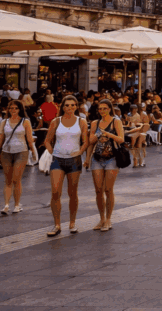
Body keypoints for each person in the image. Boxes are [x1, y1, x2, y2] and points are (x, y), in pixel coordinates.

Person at [45, 95, 88, 236]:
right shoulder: (56, 121)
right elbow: (47, 140)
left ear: (76, 106)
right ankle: (57, 225)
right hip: (57, 159)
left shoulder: (81, 121)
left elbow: (86, 141)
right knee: (55, 192)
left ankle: (72, 222)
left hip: (74, 160)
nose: (70, 107)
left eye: (73, 105)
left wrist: (80, 151)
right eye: (67, 105)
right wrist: (51, 151)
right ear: (62, 107)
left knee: (72, 192)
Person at [89, 98, 125, 231]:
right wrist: (98, 133)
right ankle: (102, 218)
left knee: (108, 190)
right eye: (100, 109)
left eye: (105, 108)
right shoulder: (95, 123)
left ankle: (108, 219)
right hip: (97, 158)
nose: (102, 111)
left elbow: (121, 139)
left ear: (110, 109)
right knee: (98, 190)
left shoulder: (116, 121)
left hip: (112, 158)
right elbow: (91, 141)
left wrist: (108, 134)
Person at [0, 99, 34, 215]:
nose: (13, 110)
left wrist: (33, 151)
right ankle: (6, 205)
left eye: (16, 108)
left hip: (21, 151)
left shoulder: (25, 121)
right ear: (8, 109)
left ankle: (17, 205)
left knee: (16, 179)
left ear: (20, 109)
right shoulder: (4, 122)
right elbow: (1, 138)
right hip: (6, 151)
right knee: (8, 180)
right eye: (11, 108)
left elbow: (29, 138)